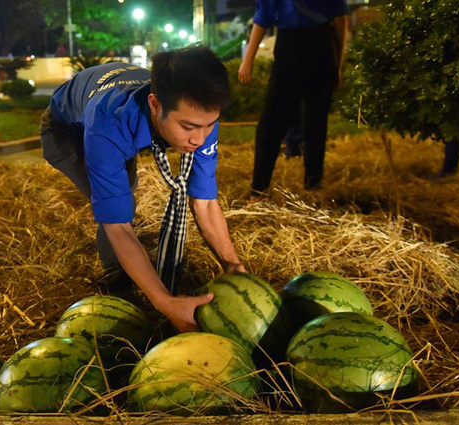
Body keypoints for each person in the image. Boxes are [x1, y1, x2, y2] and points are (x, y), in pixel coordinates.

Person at [40, 46, 246, 333]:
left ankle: (131, 272)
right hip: (65, 132)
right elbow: (118, 225)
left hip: (120, 110)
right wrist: (163, 301)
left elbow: (205, 202)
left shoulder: (200, 111)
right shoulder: (108, 123)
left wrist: (233, 266)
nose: (199, 138)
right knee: (118, 205)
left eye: (208, 125)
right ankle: (118, 285)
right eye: (188, 127)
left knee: (124, 193)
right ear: (155, 104)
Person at [239, 0, 349, 198]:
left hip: (303, 44)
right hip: (314, 44)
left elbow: (262, 17)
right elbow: (340, 19)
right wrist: (337, 64)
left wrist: (247, 61)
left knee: (286, 123)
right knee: (298, 121)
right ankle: (271, 189)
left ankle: (268, 189)